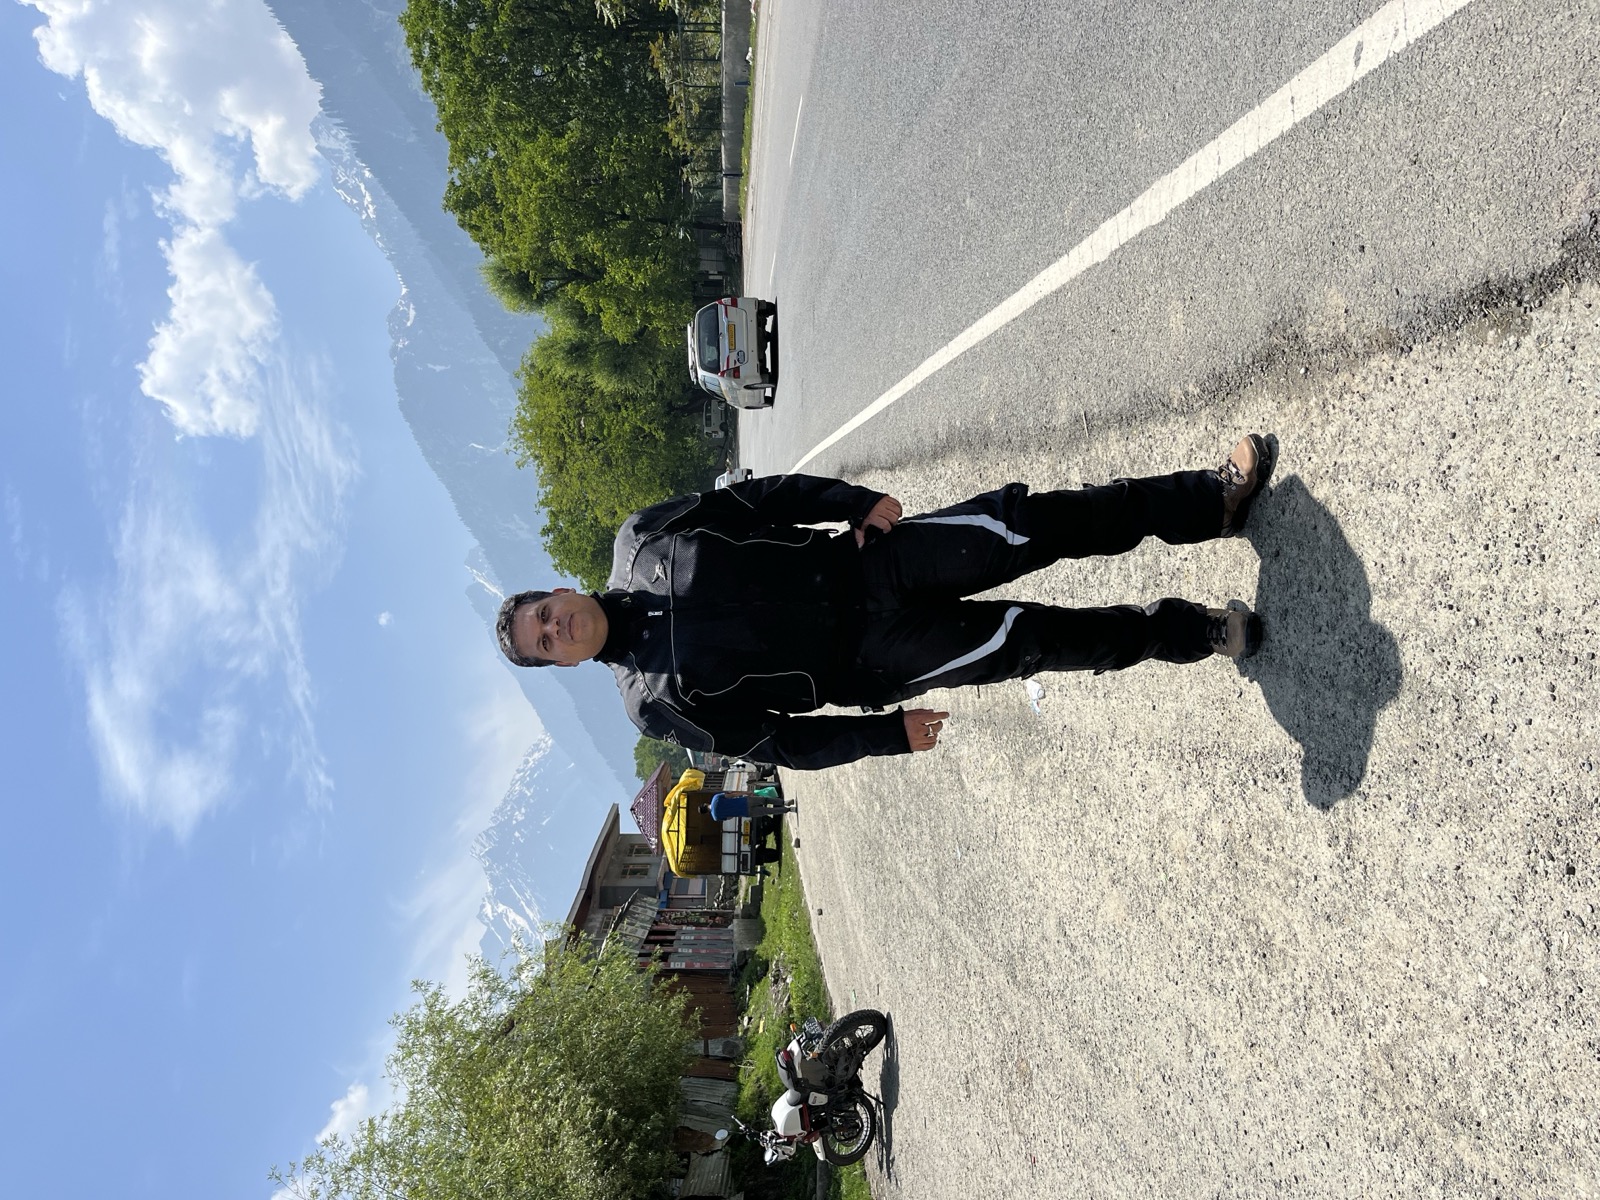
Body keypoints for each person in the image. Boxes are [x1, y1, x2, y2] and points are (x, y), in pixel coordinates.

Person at [496, 435, 1275, 771]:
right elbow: (779, 743)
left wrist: (852, 500)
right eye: (546, 643)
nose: (556, 628)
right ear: (559, 663)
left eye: (545, 615)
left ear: (557, 590)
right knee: (1034, 639)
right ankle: (1196, 631)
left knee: (1032, 524)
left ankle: (1210, 501)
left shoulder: (643, 538)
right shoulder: (652, 705)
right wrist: (884, 736)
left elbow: (760, 500)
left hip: (869, 563)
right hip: (873, 661)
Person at [700, 792, 794, 821]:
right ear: (705, 804)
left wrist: (733, 811)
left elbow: (730, 817)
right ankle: (784, 802)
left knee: (767, 811)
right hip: (744, 801)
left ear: (706, 812)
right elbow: (732, 795)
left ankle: (788, 809)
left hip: (745, 812)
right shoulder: (715, 798)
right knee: (765, 800)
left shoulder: (716, 817)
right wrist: (745, 793)